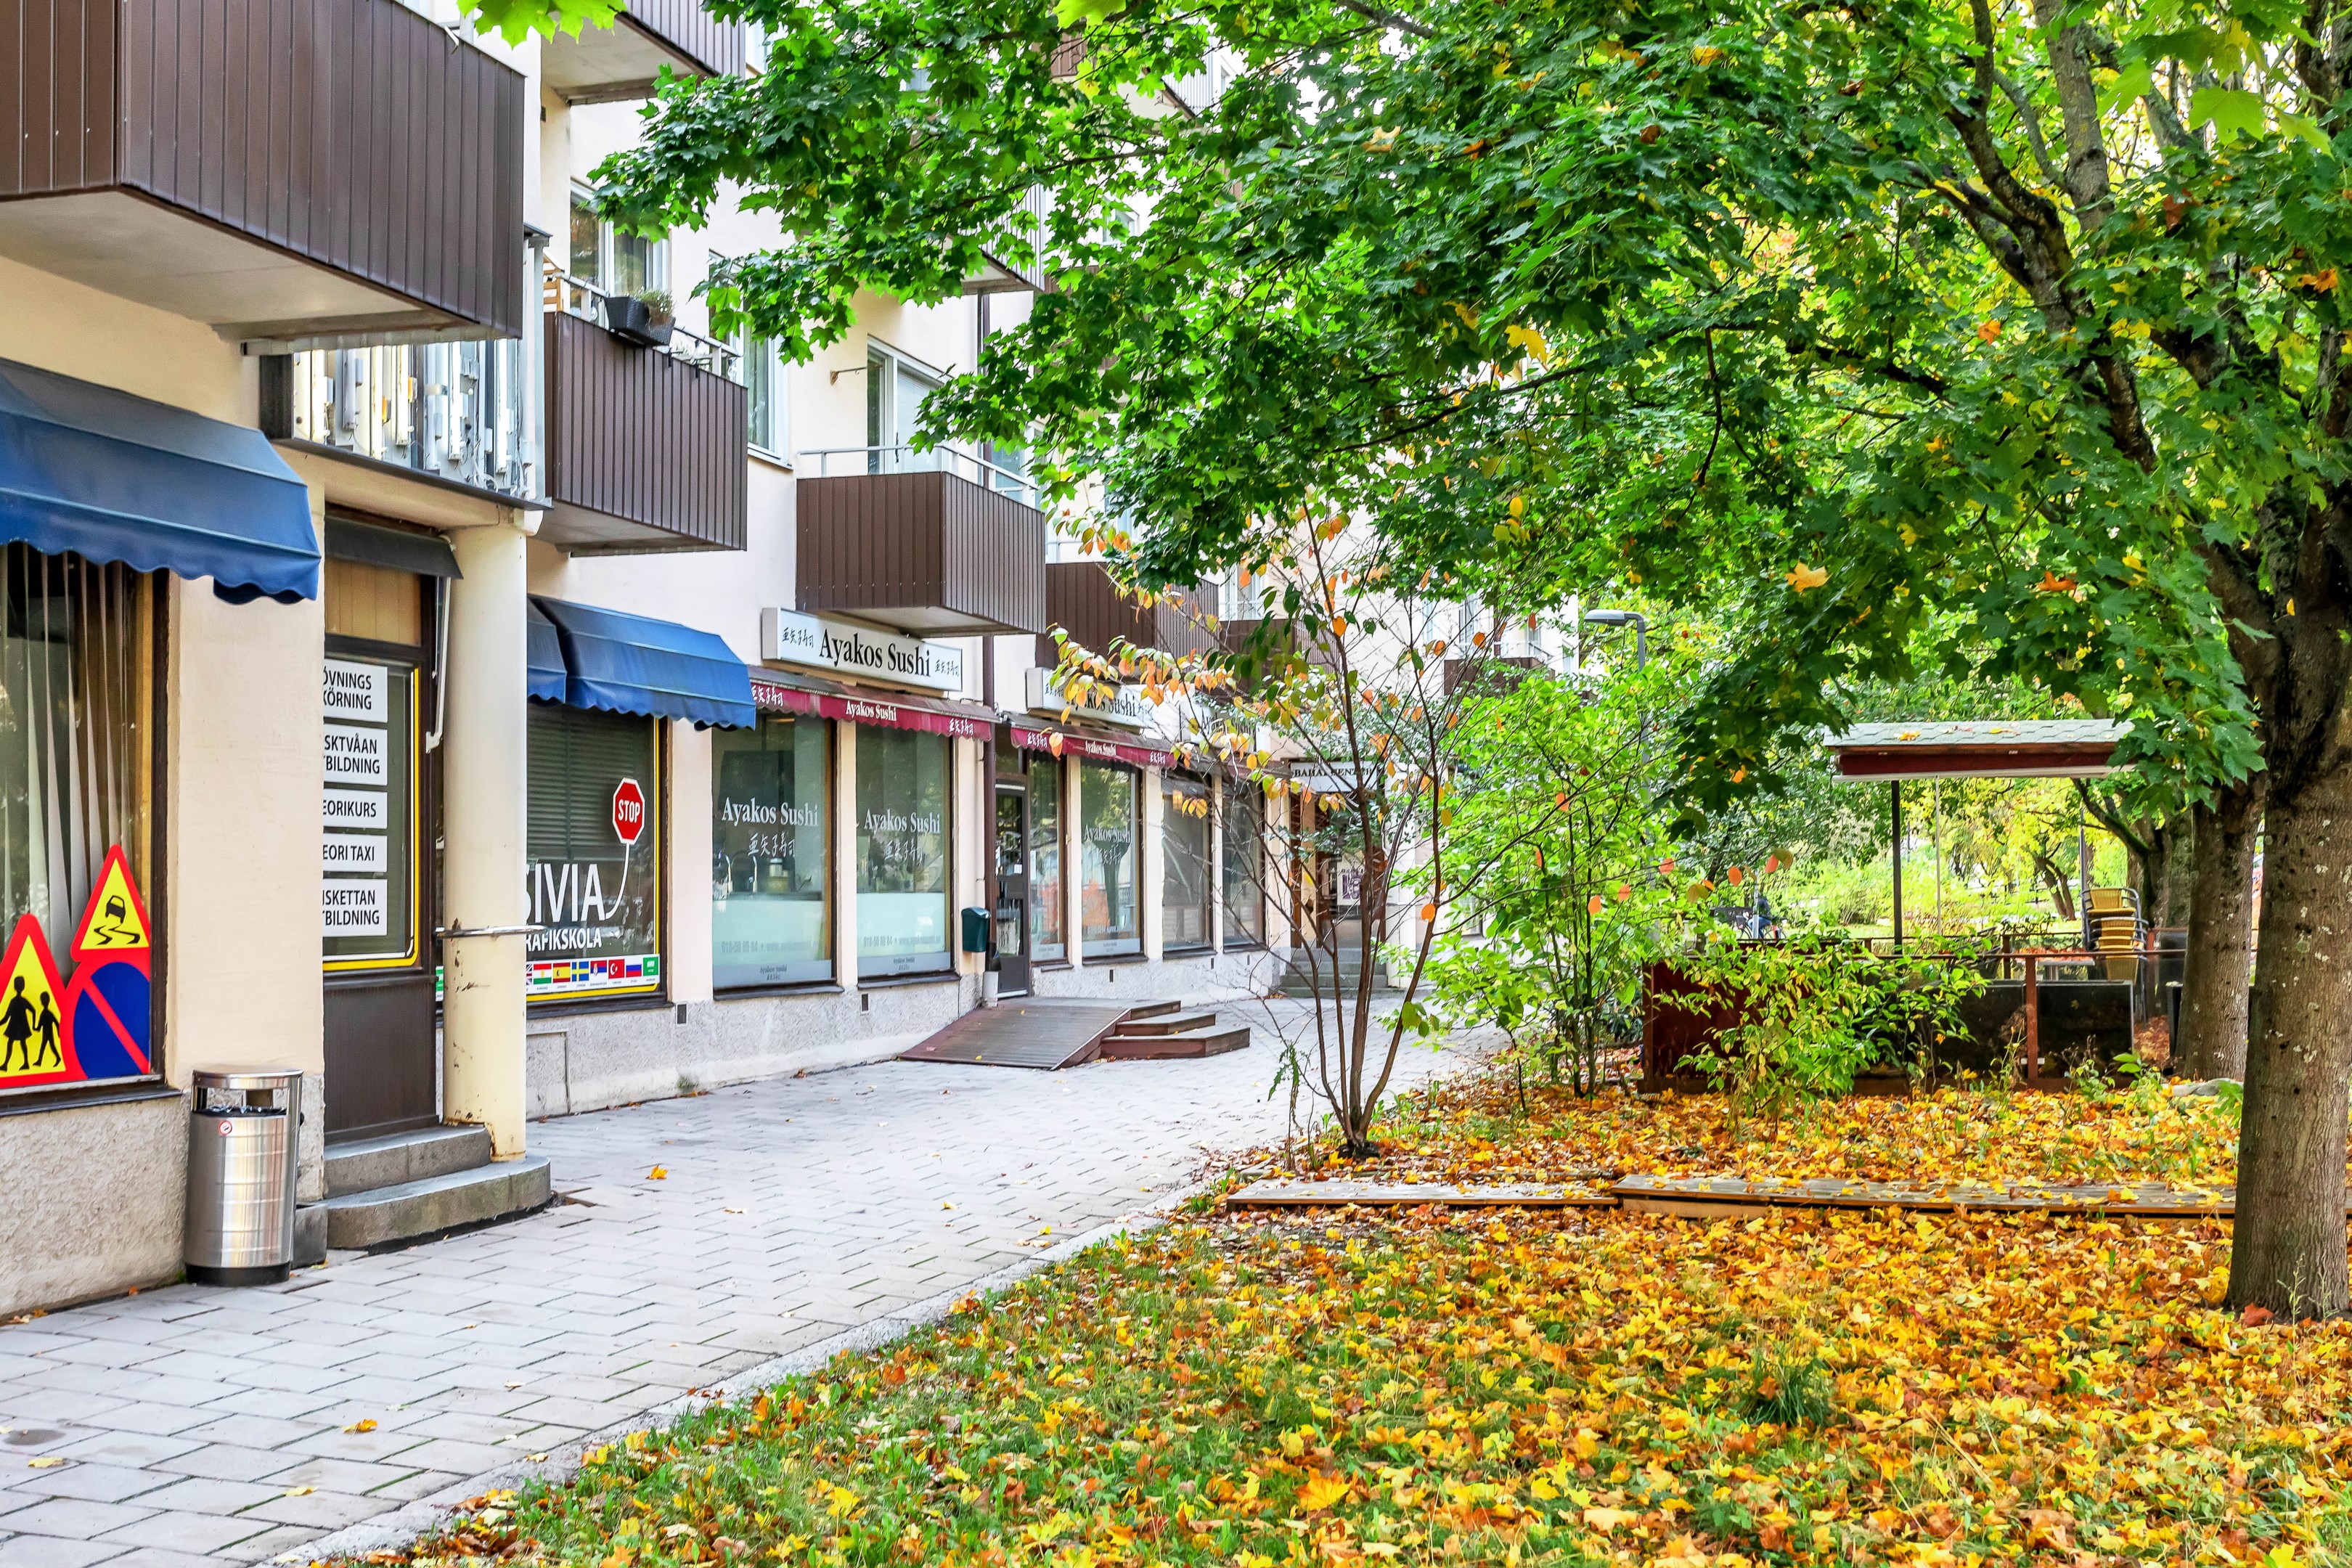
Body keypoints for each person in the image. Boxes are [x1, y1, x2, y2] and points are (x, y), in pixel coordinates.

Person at [1, 976, 37, 1071]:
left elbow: (33, 1010)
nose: (19, 986)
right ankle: (6, 1064)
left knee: (21, 1043)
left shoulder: (20, 1001)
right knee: (13, 1043)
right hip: (14, 1026)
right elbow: (6, 1017)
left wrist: (34, 1025)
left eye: (21, 984)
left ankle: (24, 1063)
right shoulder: (14, 1001)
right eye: (18, 984)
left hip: (20, 1026)